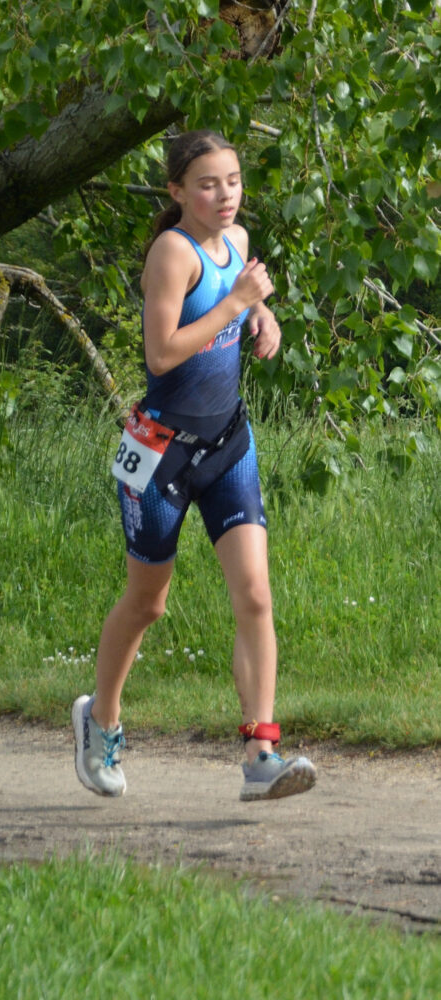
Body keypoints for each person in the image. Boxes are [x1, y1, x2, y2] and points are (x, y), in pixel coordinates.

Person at [72, 129, 316, 802]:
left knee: (256, 595)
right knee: (148, 604)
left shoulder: (235, 239)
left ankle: (261, 755)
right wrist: (237, 304)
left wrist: (261, 315)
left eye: (233, 181)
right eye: (208, 184)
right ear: (177, 190)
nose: (225, 195)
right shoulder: (171, 253)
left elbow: (242, 296)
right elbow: (161, 353)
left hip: (228, 443)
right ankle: (100, 720)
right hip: (159, 455)